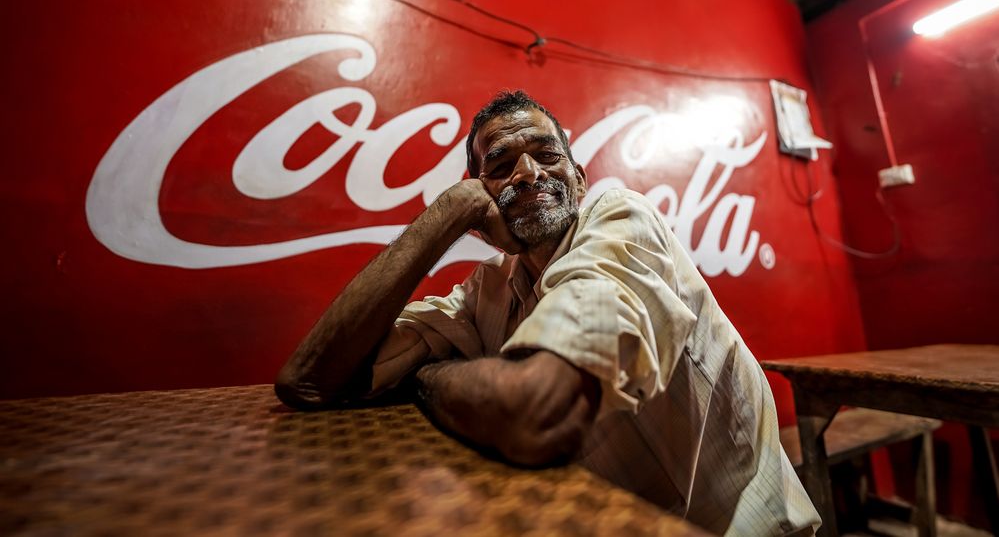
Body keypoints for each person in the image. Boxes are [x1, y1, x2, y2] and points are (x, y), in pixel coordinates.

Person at [276, 90, 820, 535]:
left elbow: (534, 413)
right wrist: (452, 208)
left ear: (579, 179)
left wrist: (426, 376)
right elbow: (307, 381)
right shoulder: (487, 289)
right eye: (500, 166)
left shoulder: (619, 218)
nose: (528, 173)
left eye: (546, 154)